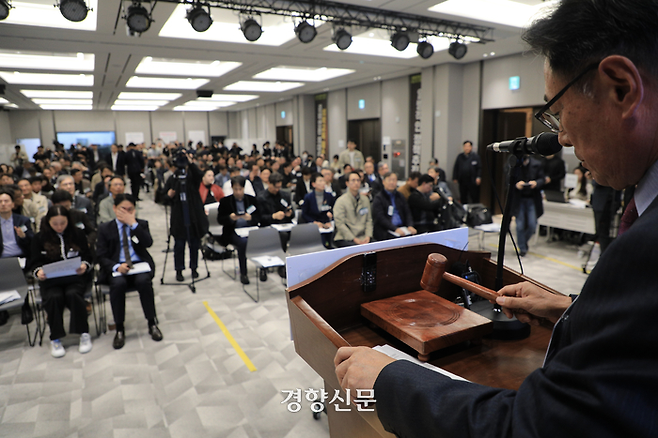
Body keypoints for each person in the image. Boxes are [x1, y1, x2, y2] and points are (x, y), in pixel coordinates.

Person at [336, 2, 658, 436]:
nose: (560, 137)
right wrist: (572, 310)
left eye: (558, 113)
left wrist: (388, 380)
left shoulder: (645, 249)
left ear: (621, 88)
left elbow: (537, 428)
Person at [96, 194, 161, 349]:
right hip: (118, 267)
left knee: (143, 281)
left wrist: (133, 225)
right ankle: (120, 328)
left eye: (130, 209)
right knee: (118, 285)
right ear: (114, 209)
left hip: (138, 266)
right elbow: (100, 255)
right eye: (122, 209)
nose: (126, 212)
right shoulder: (105, 228)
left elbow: (148, 243)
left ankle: (152, 322)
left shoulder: (141, 224)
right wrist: (116, 266)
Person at [30, 205, 92, 358]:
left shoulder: (77, 234)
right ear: (48, 222)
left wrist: (85, 265)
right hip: (51, 281)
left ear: (68, 221)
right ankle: (55, 337)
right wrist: (38, 272)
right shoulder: (39, 238)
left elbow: (89, 256)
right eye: (55, 223)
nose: (59, 227)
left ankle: (83, 332)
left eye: (62, 223)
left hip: (74, 278)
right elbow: (33, 262)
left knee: (74, 294)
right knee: (53, 297)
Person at [164, 150, 209, 282]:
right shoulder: (173, 179)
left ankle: (194, 268)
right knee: (179, 245)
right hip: (179, 217)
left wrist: (189, 161)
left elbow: (199, 174)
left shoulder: (192, 178)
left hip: (193, 216)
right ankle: (179, 270)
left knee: (194, 244)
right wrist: (168, 195)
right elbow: (163, 197)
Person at [217, 176, 260, 285]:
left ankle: (262, 269)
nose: (238, 192)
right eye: (236, 189)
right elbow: (220, 219)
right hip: (233, 231)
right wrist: (230, 218)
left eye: (240, 189)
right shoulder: (225, 202)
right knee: (243, 243)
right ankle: (243, 273)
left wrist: (251, 219)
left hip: (250, 229)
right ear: (232, 188)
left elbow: (259, 216)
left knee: (262, 238)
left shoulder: (251, 200)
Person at [511, 155, 545, 256]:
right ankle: (522, 247)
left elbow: (542, 179)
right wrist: (516, 184)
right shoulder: (514, 164)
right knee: (520, 226)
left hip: (532, 199)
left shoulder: (537, 164)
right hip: (519, 199)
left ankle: (523, 242)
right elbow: (508, 180)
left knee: (532, 225)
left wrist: (536, 183)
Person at [372, 172, 417, 241]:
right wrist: (395, 228)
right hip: (386, 229)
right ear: (383, 182)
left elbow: (407, 212)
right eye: (389, 180)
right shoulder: (379, 198)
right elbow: (380, 218)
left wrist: (410, 225)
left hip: (402, 227)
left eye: (394, 180)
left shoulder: (400, 196)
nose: (392, 182)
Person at [333, 172, 373, 247]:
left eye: (358, 180)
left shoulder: (365, 200)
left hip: (363, 236)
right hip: (346, 237)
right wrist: (354, 239)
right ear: (347, 183)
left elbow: (369, 220)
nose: (356, 183)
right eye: (353, 180)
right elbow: (340, 224)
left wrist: (368, 236)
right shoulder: (341, 201)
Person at [301, 173, 335, 247]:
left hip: (327, 224)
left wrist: (330, 216)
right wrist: (314, 222)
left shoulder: (329, 196)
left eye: (323, 181)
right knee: (321, 241)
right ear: (313, 184)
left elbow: (333, 209)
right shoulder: (308, 197)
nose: (323, 183)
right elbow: (304, 214)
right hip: (314, 224)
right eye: (320, 181)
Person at [0, 188, 33, 259]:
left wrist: (23, 236)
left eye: (6, 201)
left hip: (21, 256)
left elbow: (32, 241)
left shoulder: (23, 220)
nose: (3, 204)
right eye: (0, 201)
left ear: (13, 204)